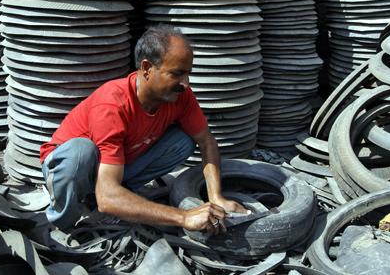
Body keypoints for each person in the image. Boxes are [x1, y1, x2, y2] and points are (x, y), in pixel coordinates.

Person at [40, 24, 247, 233]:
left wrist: (216, 196)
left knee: (183, 140)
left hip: (114, 165)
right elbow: (106, 199)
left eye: (188, 74)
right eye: (177, 73)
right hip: (67, 165)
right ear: (147, 68)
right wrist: (183, 217)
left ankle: (120, 196)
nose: (186, 83)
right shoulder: (112, 104)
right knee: (81, 153)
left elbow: (206, 140)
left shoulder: (180, 96)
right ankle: (62, 222)